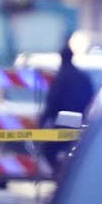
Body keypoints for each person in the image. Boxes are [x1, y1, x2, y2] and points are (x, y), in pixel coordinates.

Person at [39, 43, 95, 173]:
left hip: (63, 122)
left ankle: (60, 174)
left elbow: (53, 102)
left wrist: (43, 121)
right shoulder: (82, 77)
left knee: (49, 149)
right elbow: (92, 99)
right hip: (82, 122)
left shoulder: (61, 77)